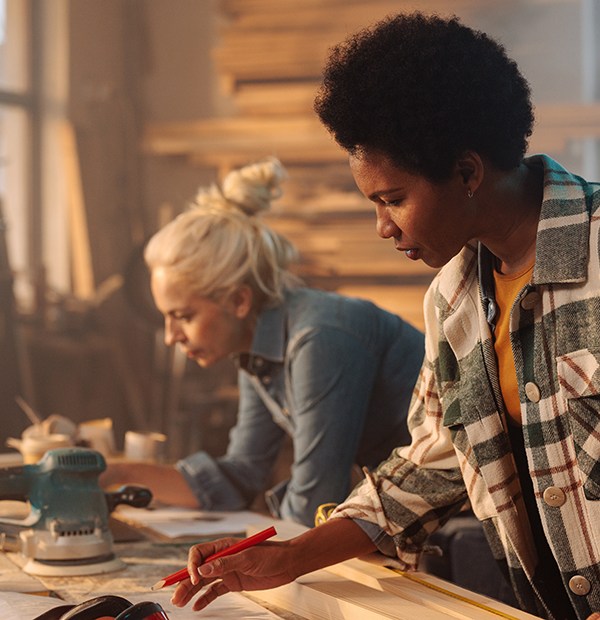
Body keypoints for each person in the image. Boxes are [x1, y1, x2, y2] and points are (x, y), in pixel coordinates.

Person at [170, 12, 600, 620]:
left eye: (393, 200)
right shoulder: (453, 300)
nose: (383, 227)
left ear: (468, 172)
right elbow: (429, 462)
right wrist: (289, 557)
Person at [102, 156, 424, 528]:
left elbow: (315, 501)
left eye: (183, 316)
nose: (172, 336)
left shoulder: (317, 339)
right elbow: (241, 474)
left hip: (465, 511)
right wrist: (114, 474)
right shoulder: (257, 348)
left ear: (238, 301)